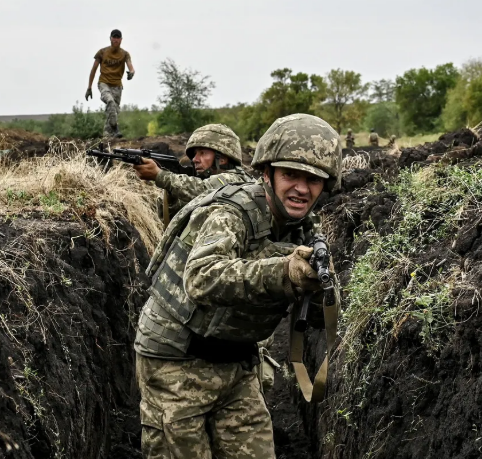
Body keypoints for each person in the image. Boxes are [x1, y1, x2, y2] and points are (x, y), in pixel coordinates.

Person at [134, 113, 341, 458]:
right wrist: (282, 273)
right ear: (267, 172)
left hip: (237, 363)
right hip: (176, 362)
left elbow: (319, 322)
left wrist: (320, 288)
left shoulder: (304, 230)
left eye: (314, 179)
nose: (302, 188)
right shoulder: (231, 213)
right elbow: (201, 277)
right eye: (291, 174)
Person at [132, 124, 252, 220]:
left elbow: (204, 189)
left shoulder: (236, 180)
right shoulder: (203, 185)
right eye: (194, 154)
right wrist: (171, 193)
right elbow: (168, 217)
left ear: (222, 159)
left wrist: (160, 176)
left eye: (202, 153)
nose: (195, 159)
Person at [85, 29, 135, 138]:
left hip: (117, 86)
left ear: (121, 40)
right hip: (104, 83)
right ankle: (115, 127)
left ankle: (107, 139)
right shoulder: (102, 53)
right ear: (110, 38)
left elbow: (130, 66)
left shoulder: (124, 54)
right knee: (110, 102)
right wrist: (89, 88)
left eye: (118, 37)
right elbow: (93, 70)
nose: (116, 40)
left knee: (113, 112)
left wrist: (132, 73)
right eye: (114, 37)